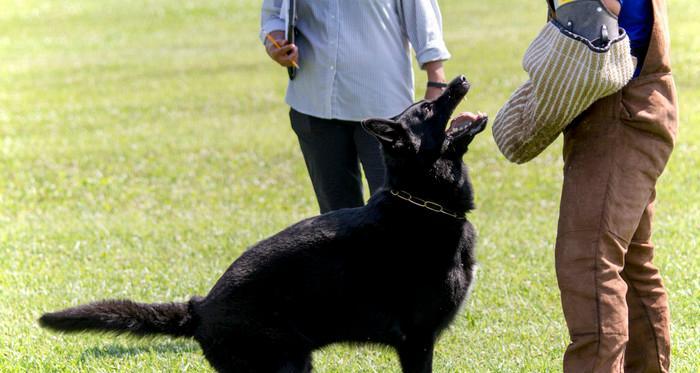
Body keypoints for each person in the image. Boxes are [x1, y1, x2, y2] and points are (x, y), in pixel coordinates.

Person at [484, 0, 677, 371]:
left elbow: (608, 8)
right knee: (631, 262)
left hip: (620, 104)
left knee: (588, 263)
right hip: (630, 96)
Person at [260, 0, 451, 214]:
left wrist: (436, 82)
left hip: (384, 111)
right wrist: (275, 43)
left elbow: (423, 18)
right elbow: (274, 15)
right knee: (335, 220)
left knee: (399, 213)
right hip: (314, 104)